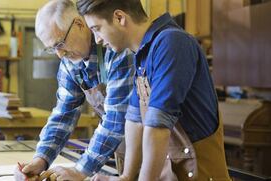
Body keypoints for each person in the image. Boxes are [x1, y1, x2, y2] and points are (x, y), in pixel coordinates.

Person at [77, 0, 231, 180]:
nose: (98, 40)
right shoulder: (143, 54)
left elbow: (157, 125)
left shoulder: (172, 42)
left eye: (97, 29)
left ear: (120, 17)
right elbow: (134, 121)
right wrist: (125, 177)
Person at [14, 0, 134, 180]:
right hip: (124, 153)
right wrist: (41, 159)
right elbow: (63, 114)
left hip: (156, 150)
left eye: (60, 43)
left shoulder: (116, 49)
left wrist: (79, 171)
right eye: (51, 49)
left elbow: (115, 120)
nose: (59, 54)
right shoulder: (70, 64)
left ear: (79, 24)